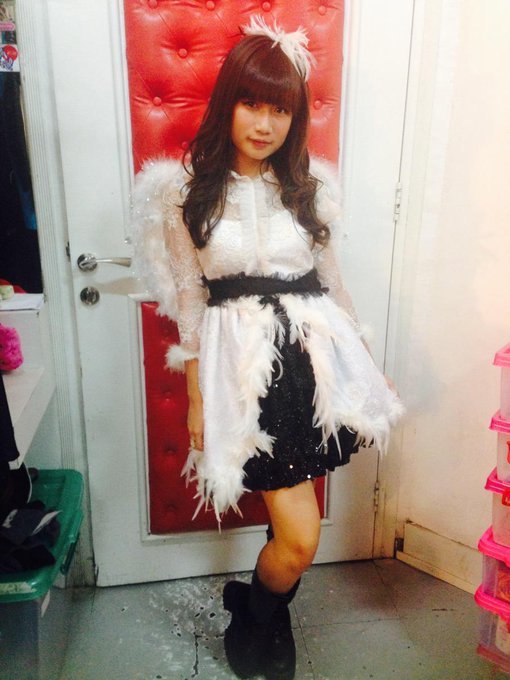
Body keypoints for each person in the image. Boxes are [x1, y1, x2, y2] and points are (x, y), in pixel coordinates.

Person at [131, 15, 404, 680]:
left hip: (313, 363)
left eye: (280, 109)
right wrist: (196, 396)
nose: (264, 123)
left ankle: (259, 612)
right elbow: (190, 299)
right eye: (252, 103)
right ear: (229, 102)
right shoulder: (182, 192)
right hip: (242, 370)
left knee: (293, 532)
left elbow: (333, 285)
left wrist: (365, 371)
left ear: (294, 117)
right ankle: (259, 610)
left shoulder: (309, 188)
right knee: (302, 536)